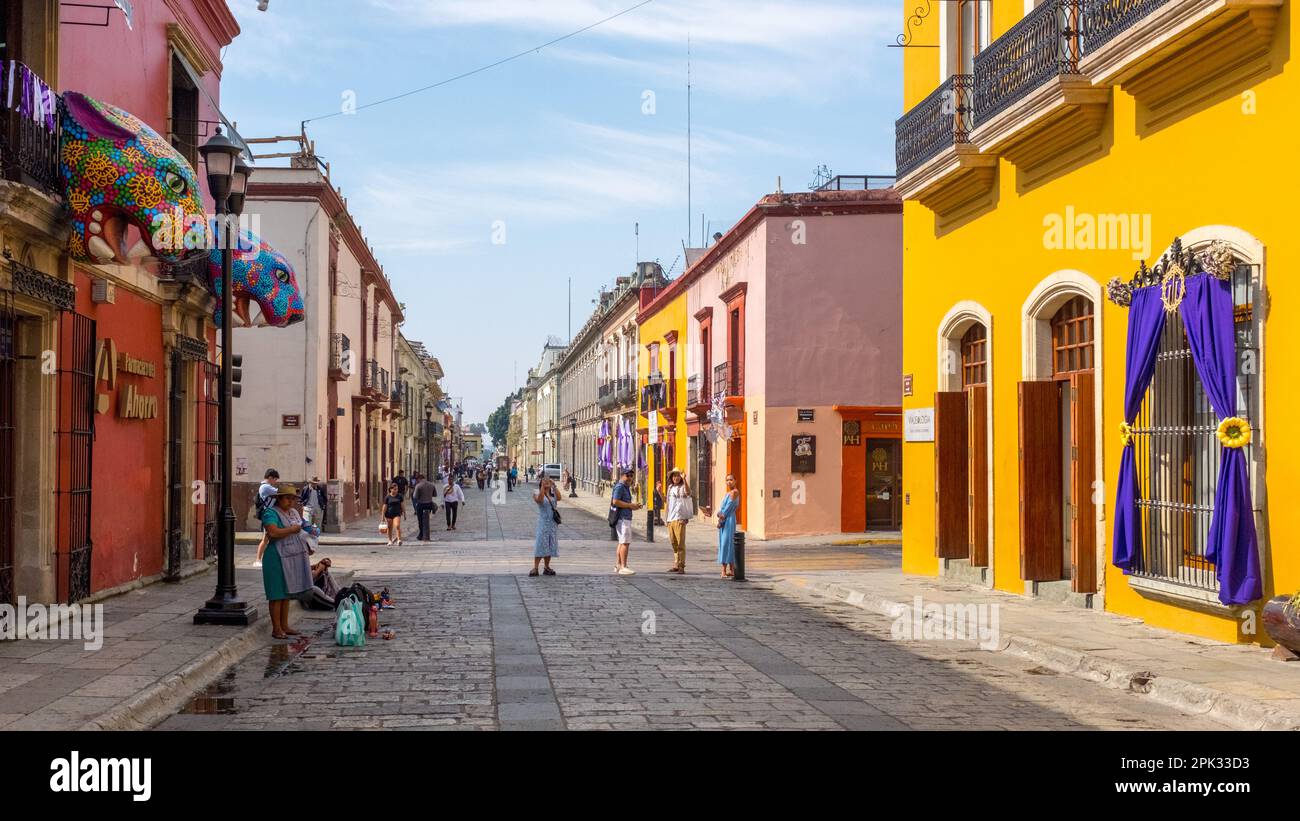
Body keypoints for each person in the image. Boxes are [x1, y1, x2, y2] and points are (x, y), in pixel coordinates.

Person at [259, 484, 314, 639]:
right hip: (275, 557)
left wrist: (310, 542)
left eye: (292, 499)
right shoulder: (270, 513)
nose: (290, 502)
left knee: (286, 594)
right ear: (279, 498)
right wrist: (291, 530)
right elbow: (273, 532)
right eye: (287, 498)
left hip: (292, 556)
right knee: (276, 594)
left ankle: (285, 625)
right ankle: (276, 628)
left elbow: (304, 529)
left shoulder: (294, 513)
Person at [610, 467, 642, 576]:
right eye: (627, 475)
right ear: (622, 475)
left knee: (621, 542)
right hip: (623, 518)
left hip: (624, 517)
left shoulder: (625, 487)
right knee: (625, 542)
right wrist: (630, 505)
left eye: (631, 476)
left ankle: (618, 565)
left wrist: (633, 506)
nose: (629, 478)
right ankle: (623, 566)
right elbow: (615, 501)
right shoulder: (620, 487)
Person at [530, 474, 560, 577]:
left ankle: (547, 567)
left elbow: (559, 498)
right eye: (545, 481)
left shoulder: (553, 494)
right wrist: (543, 487)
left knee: (550, 544)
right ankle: (535, 567)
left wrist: (554, 486)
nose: (547, 482)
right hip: (543, 522)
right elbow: (540, 500)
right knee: (540, 543)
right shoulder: (536, 492)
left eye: (548, 481)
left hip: (552, 524)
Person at [665, 467, 693, 573]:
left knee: (681, 543)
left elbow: (688, 492)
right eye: (674, 476)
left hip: (680, 518)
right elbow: (667, 503)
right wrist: (666, 519)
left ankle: (681, 566)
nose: (676, 478)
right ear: (671, 478)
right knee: (673, 542)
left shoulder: (683, 487)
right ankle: (676, 563)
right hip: (670, 518)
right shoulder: (670, 488)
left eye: (678, 476)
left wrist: (685, 479)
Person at [254, 468, 280, 568]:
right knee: (266, 539)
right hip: (268, 516)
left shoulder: (265, 487)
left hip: (270, 515)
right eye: (275, 479)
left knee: (268, 539)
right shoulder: (266, 487)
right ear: (270, 478)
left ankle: (263, 559)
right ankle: (258, 559)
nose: (275, 482)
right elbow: (279, 492)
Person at [717, 473, 740, 578]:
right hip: (724, 519)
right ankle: (730, 569)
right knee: (724, 542)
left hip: (729, 520)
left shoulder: (734, 492)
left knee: (727, 542)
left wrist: (721, 518)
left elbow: (727, 509)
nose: (729, 482)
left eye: (731, 480)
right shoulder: (728, 493)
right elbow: (722, 508)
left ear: (735, 481)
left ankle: (725, 570)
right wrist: (720, 514)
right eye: (727, 480)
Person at [412, 472, 437, 541]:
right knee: (426, 519)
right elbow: (435, 494)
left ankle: (421, 534)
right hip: (429, 504)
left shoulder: (418, 485)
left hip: (421, 504)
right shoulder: (431, 485)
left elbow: (415, 496)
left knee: (420, 520)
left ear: (419, 479)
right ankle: (425, 533)